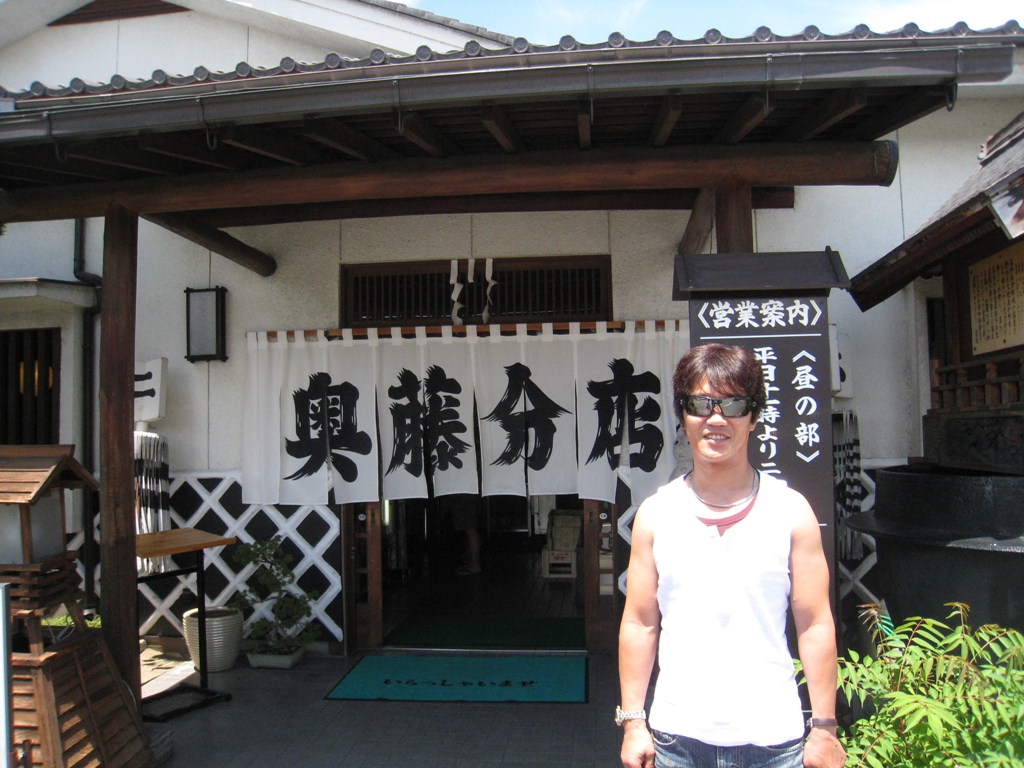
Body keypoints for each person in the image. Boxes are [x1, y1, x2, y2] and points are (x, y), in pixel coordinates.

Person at [618, 343, 846, 768]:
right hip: (676, 740)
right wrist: (633, 723)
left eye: (735, 404)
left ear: (754, 417)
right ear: (683, 415)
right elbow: (640, 621)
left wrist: (825, 727)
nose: (717, 418)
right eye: (701, 404)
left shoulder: (791, 511)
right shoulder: (656, 514)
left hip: (774, 742)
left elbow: (814, 623)